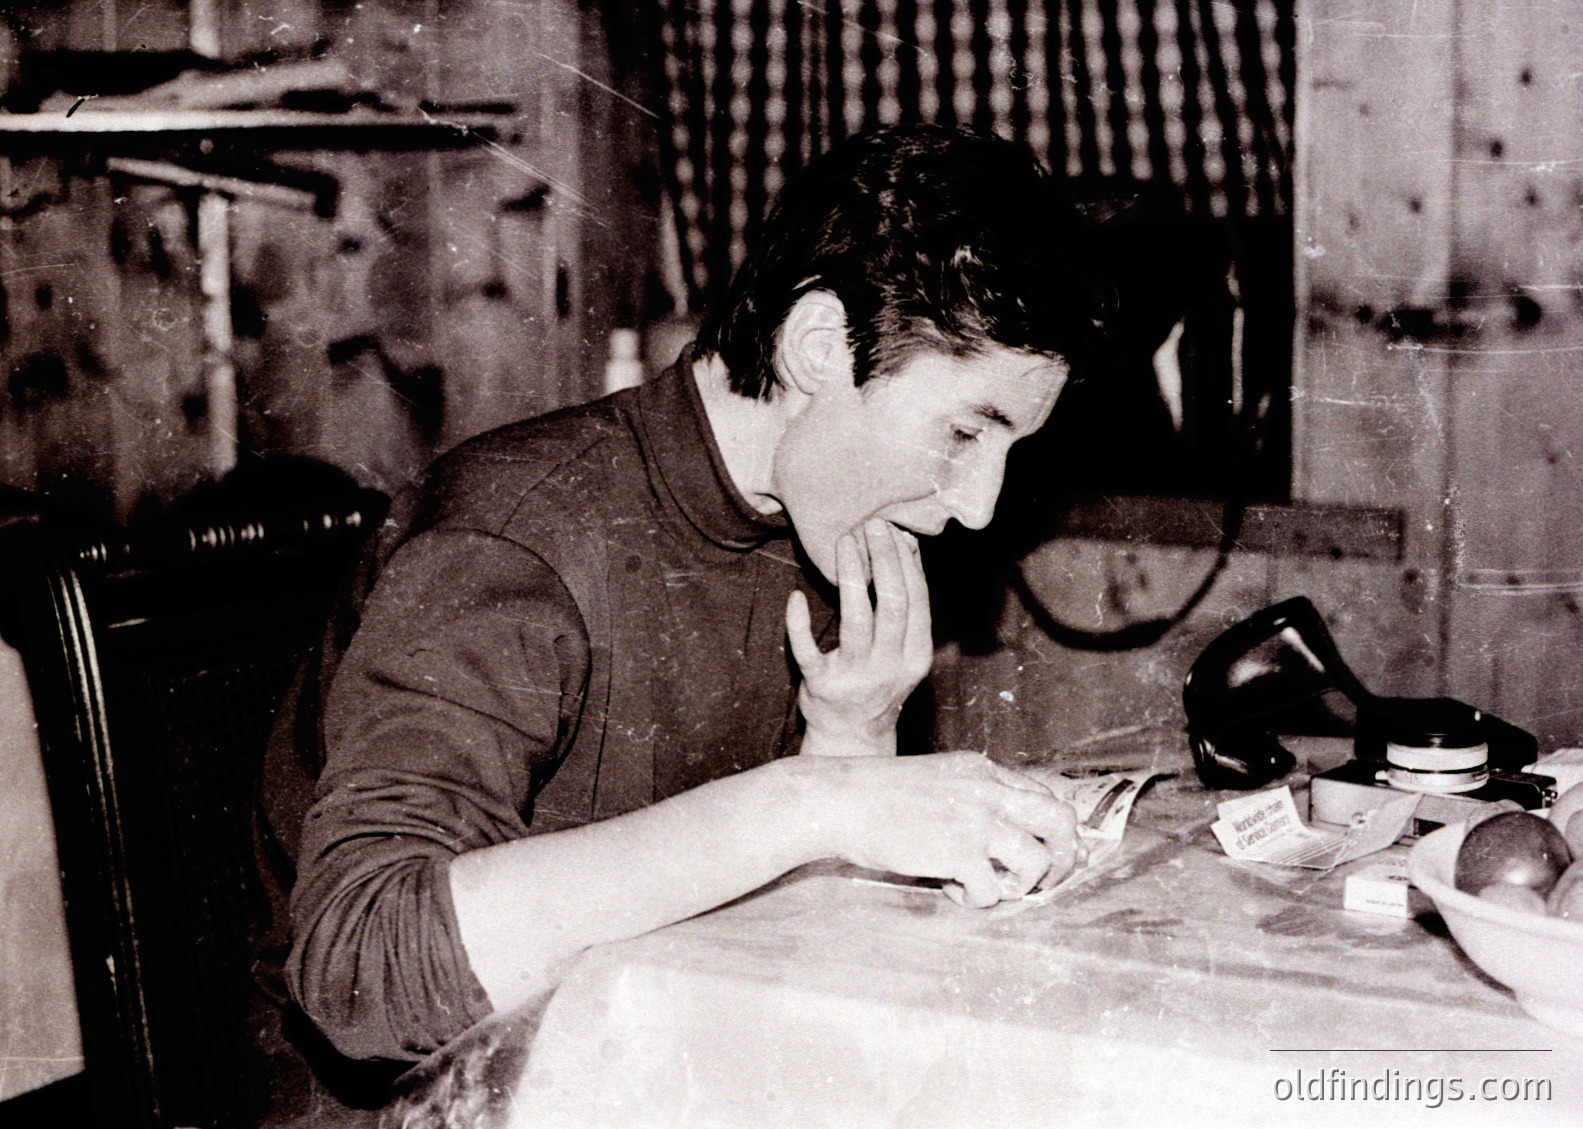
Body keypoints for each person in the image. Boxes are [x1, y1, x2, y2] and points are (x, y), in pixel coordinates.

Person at [252, 122, 1107, 1099]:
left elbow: (763, 929)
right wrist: (813, 800)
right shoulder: (512, 536)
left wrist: (848, 742)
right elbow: (363, 971)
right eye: (961, 431)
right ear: (820, 346)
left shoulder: (817, 512)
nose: (978, 504)